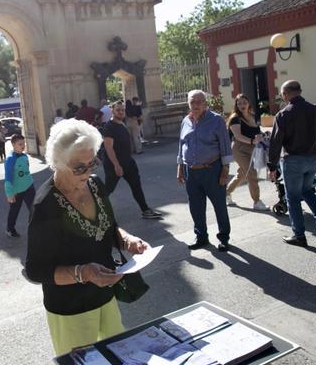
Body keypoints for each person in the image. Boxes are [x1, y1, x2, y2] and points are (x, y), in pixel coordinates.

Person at [25, 119, 151, 365]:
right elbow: (35, 270)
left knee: (120, 364)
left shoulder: (95, 185)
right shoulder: (45, 205)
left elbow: (109, 227)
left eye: (92, 163)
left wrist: (127, 239)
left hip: (105, 295)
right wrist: (83, 273)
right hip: (69, 308)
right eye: (79, 167)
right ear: (58, 162)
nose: (87, 171)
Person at [268, 80, 316, 247]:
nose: (282, 97)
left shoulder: (283, 114)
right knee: (307, 190)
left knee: (293, 198)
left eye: (282, 94)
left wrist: (272, 166)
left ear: (286, 94)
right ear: (300, 91)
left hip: (293, 160)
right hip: (313, 159)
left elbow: (275, 143)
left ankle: (299, 235)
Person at [176, 89, 234, 250]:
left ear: (205, 103)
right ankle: (201, 236)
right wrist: (180, 167)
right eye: (192, 102)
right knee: (195, 206)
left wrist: (225, 171)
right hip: (191, 171)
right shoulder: (185, 121)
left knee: (219, 205)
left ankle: (224, 237)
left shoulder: (216, 120)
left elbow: (225, 147)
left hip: (212, 169)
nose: (195, 105)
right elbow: (182, 145)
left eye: (198, 101)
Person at [102, 101, 163, 219]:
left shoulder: (122, 123)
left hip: (128, 163)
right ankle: (97, 211)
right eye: (118, 110)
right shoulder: (109, 127)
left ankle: (145, 210)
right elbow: (108, 148)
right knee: (108, 189)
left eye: (122, 110)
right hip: (114, 165)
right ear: (112, 111)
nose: (120, 112)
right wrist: (116, 165)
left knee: (136, 185)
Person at [226, 94, 269, 210]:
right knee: (251, 173)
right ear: (236, 105)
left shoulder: (251, 115)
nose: (242, 105)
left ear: (248, 103)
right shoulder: (235, 118)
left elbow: (257, 130)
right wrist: (252, 141)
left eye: (244, 102)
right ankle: (257, 201)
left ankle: (226, 193)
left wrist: (262, 136)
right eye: (239, 103)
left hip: (252, 149)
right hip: (239, 149)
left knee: (242, 174)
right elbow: (238, 136)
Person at [4, 134, 35, 238]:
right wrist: (9, 193)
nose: (23, 146)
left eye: (24, 143)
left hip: (29, 187)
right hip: (17, 191)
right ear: (13, 145)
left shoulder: (24, 155)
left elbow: (26, 171)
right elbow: (8, 178)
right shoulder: (10, 159)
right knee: (14, 211)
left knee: (34, 208)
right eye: (20, 144)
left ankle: (37, 228)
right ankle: (10, 229)